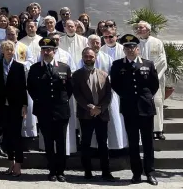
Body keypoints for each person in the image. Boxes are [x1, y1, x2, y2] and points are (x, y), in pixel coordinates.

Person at [111, 34, 160, 186]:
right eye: (127, 47)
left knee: (148, 143)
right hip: (129, 109)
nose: (130, 50)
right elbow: (115, 84)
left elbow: (154, 85)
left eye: (132, 47)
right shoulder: (118, 65)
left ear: (138, 49)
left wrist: (145, 98)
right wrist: (127, 97)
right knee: (132, 143)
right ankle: (136, 173)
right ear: (124, 50)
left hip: (146, 109)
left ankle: (150, 172)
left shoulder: (148, 64)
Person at [27, 37, 72, 182]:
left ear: (54, 51)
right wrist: (41, 101)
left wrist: (61, 101)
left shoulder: (64, 67)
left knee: (61, 142)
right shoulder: (35, 69)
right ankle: (52, 170)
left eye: (49, 50)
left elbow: (69, 89)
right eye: (44, 50)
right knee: (48, 142)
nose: (46, 52)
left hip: (61, 111)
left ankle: (61, 171)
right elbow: (31, 89)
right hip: (44, 111)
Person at [72, 47, 117, 181]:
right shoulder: (77, 75)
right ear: (82, 57)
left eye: (91, 56)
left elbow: (109, 95)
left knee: (103, 143)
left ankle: (106, 172)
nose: (88, 59)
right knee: (85, 143)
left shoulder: (104, 74)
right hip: (86, 114)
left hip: (101, 114)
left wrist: (100, 108)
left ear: (95, 58)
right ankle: (87, 171)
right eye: (86, 56)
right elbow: (77, 94)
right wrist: (90, 107)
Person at [0, 40, 27, 177]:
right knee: (6, 135)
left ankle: (18, 163)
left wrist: (24, 105)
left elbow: (23, 87)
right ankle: (10, 162)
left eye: (11, 50)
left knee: (16, 136)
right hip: (2, 106)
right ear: (2, 51)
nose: (9, 52)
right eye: (6, 49)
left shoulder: (19, 67)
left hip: (16, 105)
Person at [134, 21, 167, 140]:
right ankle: (147, 130)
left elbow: (162, 60)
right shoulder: (135, 43)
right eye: (137, 28)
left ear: (148, 30)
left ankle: (159, 130)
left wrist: (153, 75)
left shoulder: (157, 42)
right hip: (140, 79)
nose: (138, 29)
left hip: (155, 78)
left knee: (157, 103)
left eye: (141, 28)